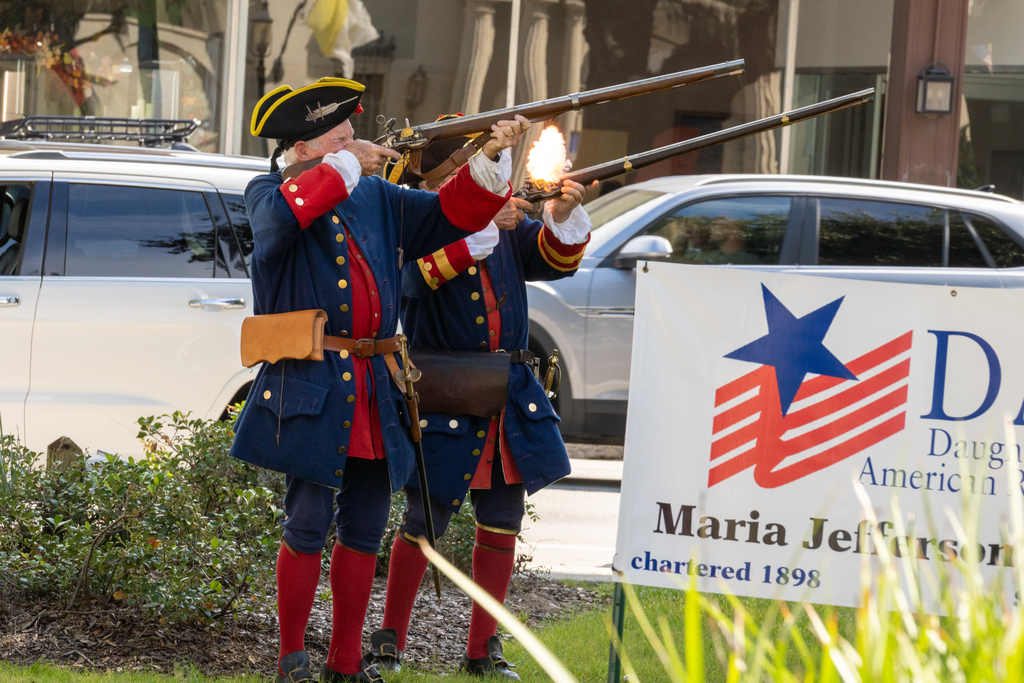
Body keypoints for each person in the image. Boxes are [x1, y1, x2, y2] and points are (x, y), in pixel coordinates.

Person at [227, 78, 530, 683]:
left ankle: (345, 663)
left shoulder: (375, 197)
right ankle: (291, 659)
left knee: (365, 526)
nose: (359, 145)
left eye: (352, 137)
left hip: (372, 379)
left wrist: (489, 156)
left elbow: (450, 213)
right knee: (307, 522)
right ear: (309, 147)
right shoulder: (271, 190)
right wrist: (348, 163)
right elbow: (283, 216)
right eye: (341, 138)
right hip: (311, 380)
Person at [366, 124, 592, 679]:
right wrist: (477, 233)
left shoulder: (503, 222)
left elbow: (555, 262)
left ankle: (482, 651)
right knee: (424, 517)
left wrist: (560, 218)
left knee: (502, 519)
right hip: (446, 387)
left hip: (509, 386)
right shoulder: (416, 219)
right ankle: (389, 639)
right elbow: (411, 282)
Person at [692, 216, 759, 264]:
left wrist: (681, 234)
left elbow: (694, 266)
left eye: (716, 224)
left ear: (732, 230)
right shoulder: (711, 254)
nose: (711, 227)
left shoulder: (746, 259)